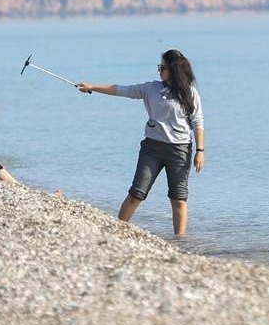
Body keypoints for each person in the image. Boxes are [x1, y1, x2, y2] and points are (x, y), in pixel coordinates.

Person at [76, 49, 205, 236]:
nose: (159, 70)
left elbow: (198, 122)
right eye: (159, 67)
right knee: (136, 194)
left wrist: (200, 150)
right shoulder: (150, 88)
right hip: (151, 149)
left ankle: (180, 242)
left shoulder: (190, 93)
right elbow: (121, 89)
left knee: (178, 200)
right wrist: (92, 87)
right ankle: (117, 233)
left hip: (180, 151)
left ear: (174, 70)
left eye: (162, 67)